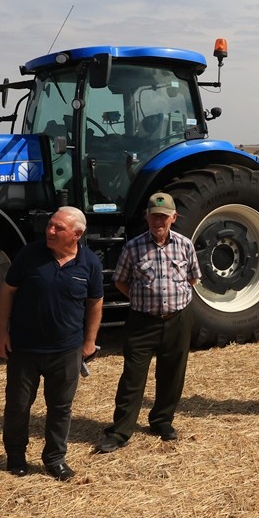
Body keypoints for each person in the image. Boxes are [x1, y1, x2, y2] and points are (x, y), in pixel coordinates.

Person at [0, 207, 103, 481]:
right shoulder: (30, 255)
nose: (49, 231)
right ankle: (16, 457)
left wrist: (90, 341)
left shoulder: (89, 263)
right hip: (25, 349)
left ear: (76, 235)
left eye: (58, 228)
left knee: (61, 408)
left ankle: (55, 459)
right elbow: (7, 293)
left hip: (66, 351)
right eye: (50, 225)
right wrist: (0, 333)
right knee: (18, 406)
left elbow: (95, 303)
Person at [97, 192, 201, 453]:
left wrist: (173, 299)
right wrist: (142, 299)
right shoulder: (133, 247)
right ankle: (120, 431)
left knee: (172, 374)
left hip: (178, 319)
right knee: (133, 377)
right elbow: (120, 280)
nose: (159, 221)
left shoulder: (185, 245)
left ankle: (162, 421)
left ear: (173, 218)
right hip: (142, 321)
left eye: (164, 217)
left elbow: (193, 278)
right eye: (154, 216)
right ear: (147, 217)